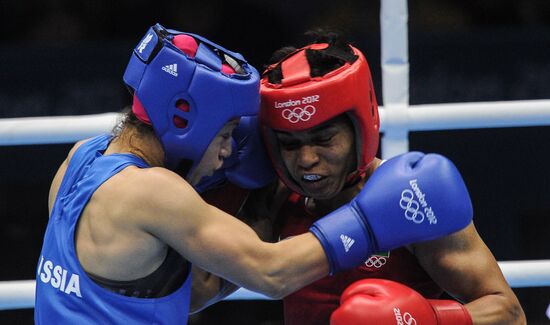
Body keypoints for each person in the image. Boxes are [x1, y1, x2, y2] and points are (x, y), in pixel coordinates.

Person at [34, 24, 473, 324]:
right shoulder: (152, 192)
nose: (229, 152)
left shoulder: (82, 158)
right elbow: (272, 274)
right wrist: (370, 221)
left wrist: (266, 200)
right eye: (226, 133)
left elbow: (188, 290)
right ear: (185, 117)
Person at [253, 31, 525, 324]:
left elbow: (508, 314)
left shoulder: (412, 200)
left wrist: (428, 319)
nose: (306, 159)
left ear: (360, 129)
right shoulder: (274, 196)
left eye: (324, 139)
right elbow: (207, 287)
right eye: (290, 145)